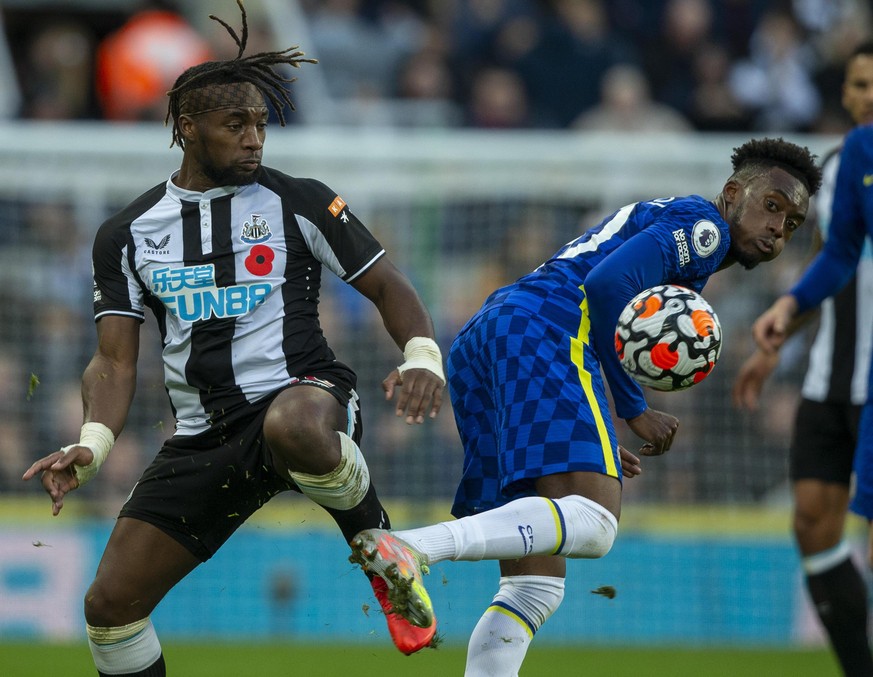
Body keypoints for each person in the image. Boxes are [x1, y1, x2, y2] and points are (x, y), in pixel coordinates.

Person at [21, 2, 445, 674]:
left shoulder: (299, 201)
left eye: (260, 124)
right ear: (187, 128)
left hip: (308, 396)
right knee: (109, 606)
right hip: (205, 435)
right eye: (235, 124)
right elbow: (112, 360)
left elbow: (390, 285)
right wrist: (93, 442)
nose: (254, 138)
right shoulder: (128, 235)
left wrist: (422, 355)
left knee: (293, 422)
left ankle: (378, 548)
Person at [350, 138, 822, 675]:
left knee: (535, 586)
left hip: (495, 333)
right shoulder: (704, 230)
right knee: (596, 523)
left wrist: (594, 427)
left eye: (792, 224)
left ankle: (421, 566)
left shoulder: (680, 224)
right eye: (771, 206)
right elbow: (604, 286)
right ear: (734, 192)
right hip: (545, 329)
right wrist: (632, 407)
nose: (778, 229)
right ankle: (411, 549)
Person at [733, 41, 873, 677]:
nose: (868, 96)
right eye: (860, 84)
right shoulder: (851, 163)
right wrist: (783, 325)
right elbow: (836, 259)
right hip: (832, 376)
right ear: (844, 93)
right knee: (814, 523)